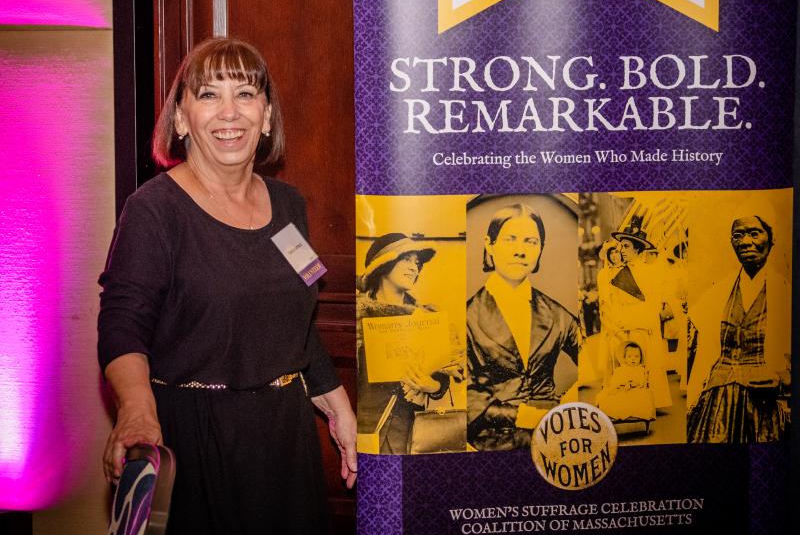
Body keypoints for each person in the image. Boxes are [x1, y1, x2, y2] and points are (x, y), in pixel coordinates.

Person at [98, 37, 356, 534]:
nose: (229, 112)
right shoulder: (154, 211)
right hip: (196, 440)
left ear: (266, 117)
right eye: (209, 94)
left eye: (245, 93)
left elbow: (298, 322)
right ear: (180, 119)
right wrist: (135, 410)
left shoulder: (288, 205)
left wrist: (337, 405)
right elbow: (122, 324)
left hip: (285, 440)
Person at [466, 204, 580, 450]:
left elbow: (597, 361)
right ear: (490, 244)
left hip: (554, 438)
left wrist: (568, 404)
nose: (521, 251)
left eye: (531, 241)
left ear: (540, 249)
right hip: (492, 442)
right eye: (511, 239)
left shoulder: (557, 314)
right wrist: (518, 415)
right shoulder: (466, 315)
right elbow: (461, 393)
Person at [687, 213, 791, 443]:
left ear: (771, 240)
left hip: (765, 402)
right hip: (719, 401)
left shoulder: (785, 291)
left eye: (754, 233)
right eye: (738, 235)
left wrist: (782, 379)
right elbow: (703, 353)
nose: (745, 242)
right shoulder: (718, 293)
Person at [356, 232, 462, 454]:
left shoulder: (426, 318)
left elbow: (443, 380)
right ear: (383, 264)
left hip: (412, 431)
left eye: (417, 263)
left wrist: (430, 386)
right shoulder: (358, 317)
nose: (414, 267)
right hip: (368, 427)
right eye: (406, 259)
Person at [601, 217, 673, 409]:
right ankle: (625, 403)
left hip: (642, 323)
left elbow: (654, 302)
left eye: (626, 246)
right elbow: (613, 302)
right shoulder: (616, 273)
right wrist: (614, 324)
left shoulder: (649, 272)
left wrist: (646, 322)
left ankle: (646, 403)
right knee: (624, 365)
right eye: (621, 246)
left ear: (637, 249)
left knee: (644, 364)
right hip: (622, 324)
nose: (621, 250)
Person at [596, 341, 656, 423]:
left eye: (636, 356)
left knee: (639, 399)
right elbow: (615, 381)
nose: (633, 359)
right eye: (630, 356)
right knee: (610, 398)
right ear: (624, 358)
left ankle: (628, 412)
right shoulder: (620, 370)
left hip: (635, 391)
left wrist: (634, 384)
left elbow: (642, 381)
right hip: (622, 390)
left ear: (641, 358)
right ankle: (614, 412)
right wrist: (620, 385)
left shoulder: (640, 370)